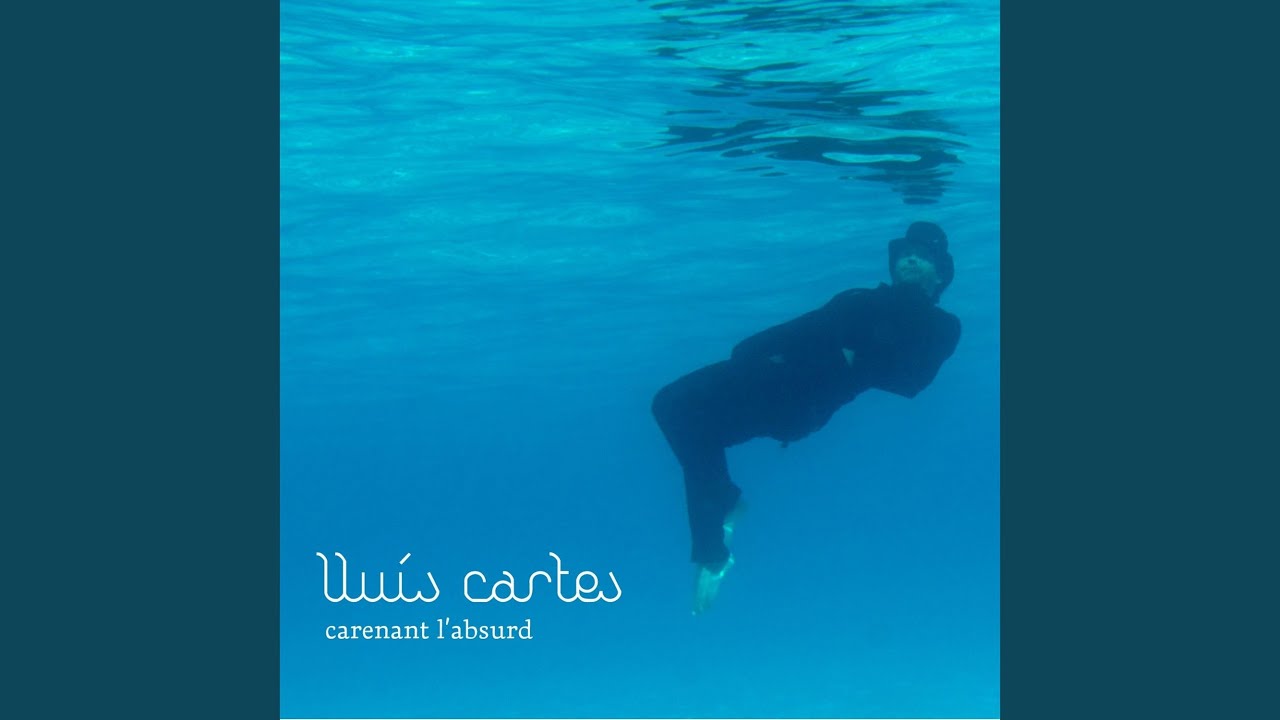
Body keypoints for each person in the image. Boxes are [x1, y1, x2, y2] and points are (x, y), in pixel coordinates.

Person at [651, 221, 961, 614]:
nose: (909, 260)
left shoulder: (942, 325)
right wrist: (829, 354)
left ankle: (721, 511)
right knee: (674, 410)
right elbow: (786, 334)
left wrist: (849, 357)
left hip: (799, 406)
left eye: (922, 255)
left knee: (683, 413)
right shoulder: (858, 299)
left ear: (941, 272)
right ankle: (714, 539)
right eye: (904, 253)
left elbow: (911, 381)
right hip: (769, 373)